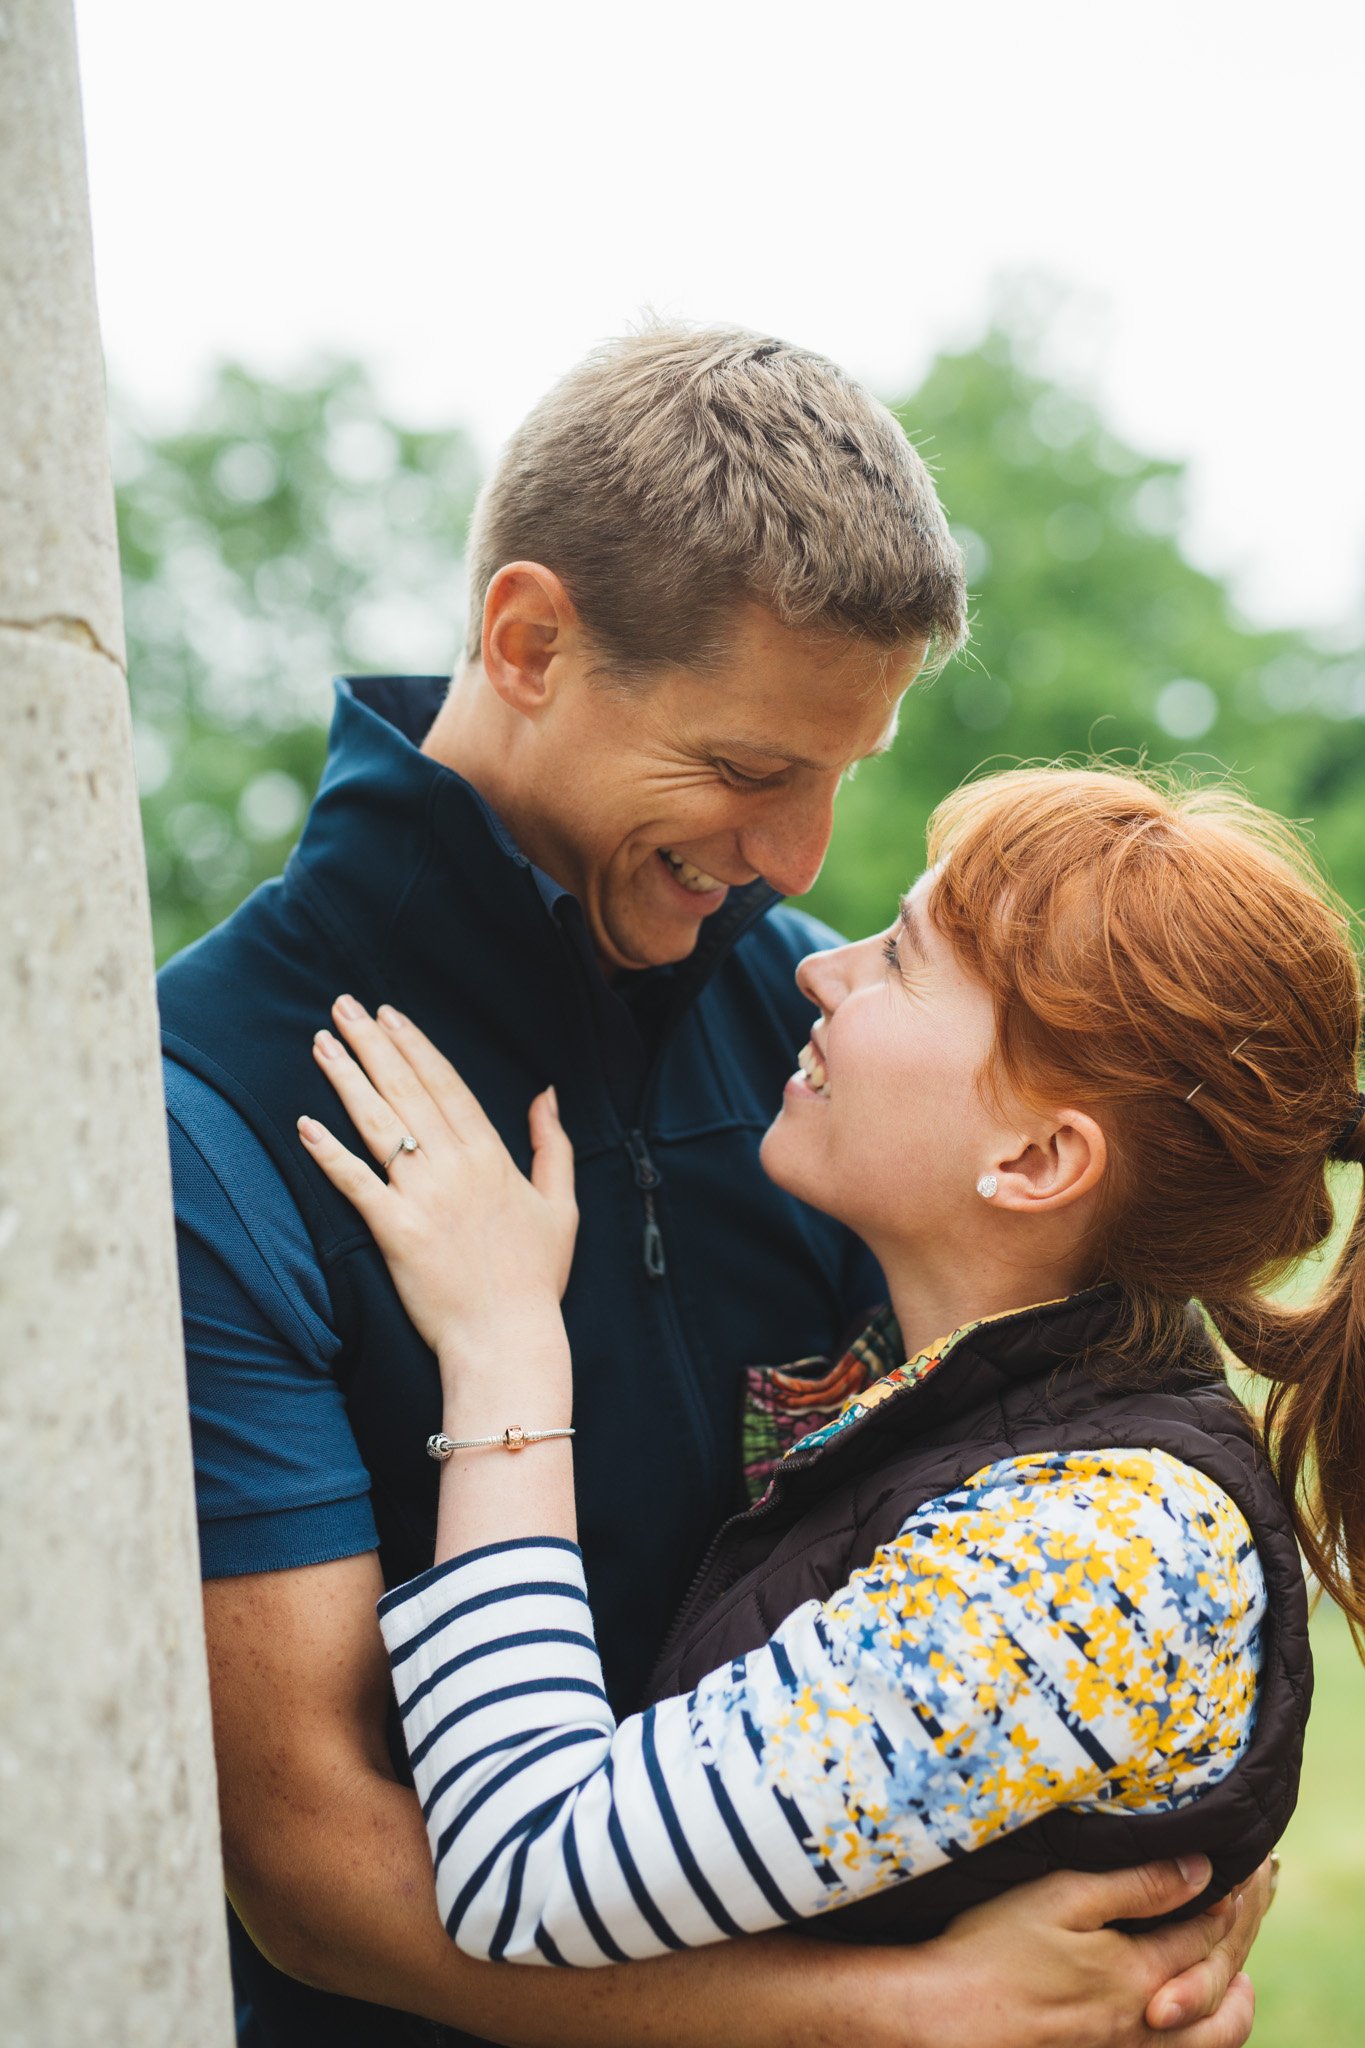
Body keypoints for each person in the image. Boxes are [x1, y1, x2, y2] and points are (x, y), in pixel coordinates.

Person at [161, 327, 1267, 2047]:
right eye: (752, 769)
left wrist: (1189, 1859)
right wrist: (906, 2011)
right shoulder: (210, 1106)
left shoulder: (850, 1058)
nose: (803, 866)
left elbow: (1092, 1486)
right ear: (529, 639)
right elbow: (314, 1865)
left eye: (847, 770)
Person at [303, 763, 1352, 1967]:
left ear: (1035, 1159)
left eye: (900, 959)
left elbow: (528, 1868)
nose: (819, 967)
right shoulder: (994, 1416)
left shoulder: (1097, 1558)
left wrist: (501, 1345)